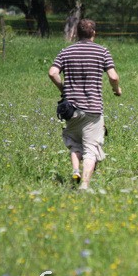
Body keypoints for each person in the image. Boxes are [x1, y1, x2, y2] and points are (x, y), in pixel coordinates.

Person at [49, 19, 122, 190]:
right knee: (91, 148)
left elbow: (52, 72)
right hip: (93, 109)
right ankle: (85, 185)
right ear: (94, 33)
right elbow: (113, 77)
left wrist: (64, 89)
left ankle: (76, 169)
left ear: (76, 33)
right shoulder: (102, 52)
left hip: (71, 110)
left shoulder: (66, 51)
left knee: (75, 143)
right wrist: (117, 90)